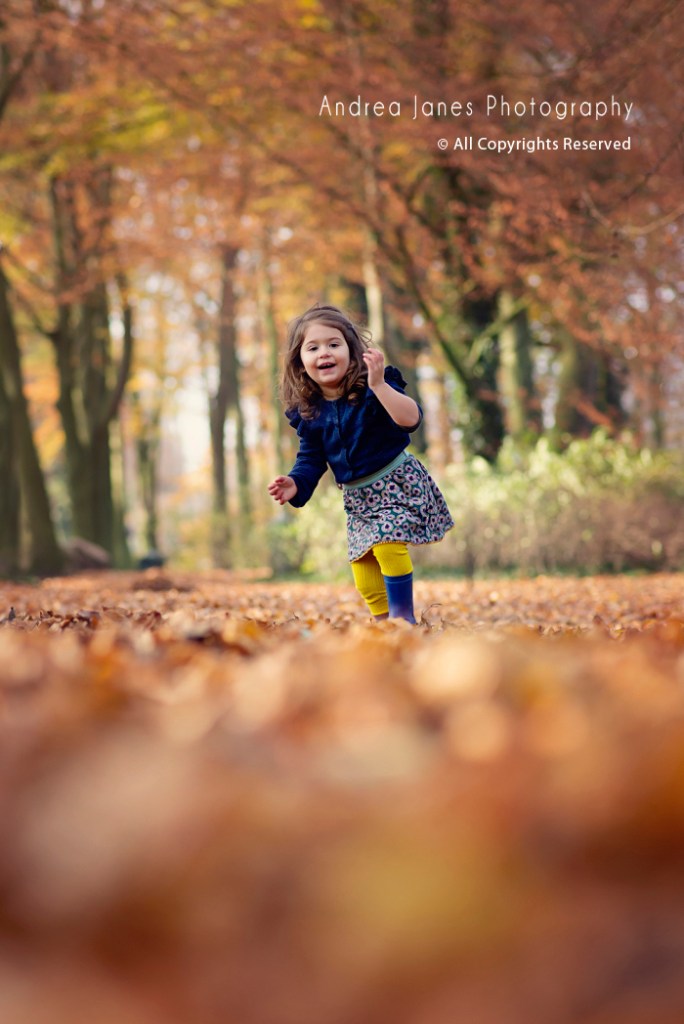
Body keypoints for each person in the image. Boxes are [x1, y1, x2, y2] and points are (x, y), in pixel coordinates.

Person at [268, 304, 453, 623]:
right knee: (364, 575)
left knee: (387, 543)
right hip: (358, 499)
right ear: (300, 363)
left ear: (352, 351)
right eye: (313, 348)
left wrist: (379, 386)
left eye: (333, 344)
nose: (324, 353)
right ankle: (385, 628)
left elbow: (411, 419)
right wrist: (295, 483)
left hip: (397, 484)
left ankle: (404, 620)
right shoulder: (311, 413)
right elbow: (311, 459)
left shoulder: (374, 386)